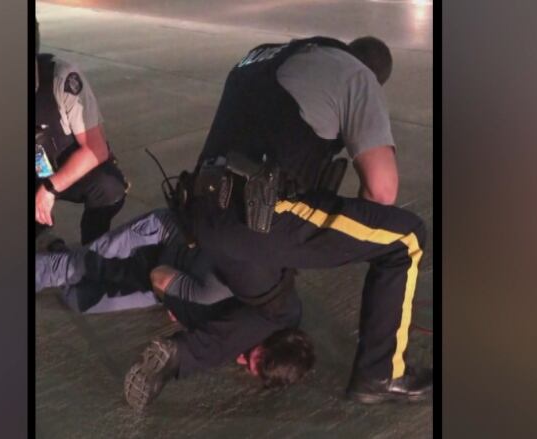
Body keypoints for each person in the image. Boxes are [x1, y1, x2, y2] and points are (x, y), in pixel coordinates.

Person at [172, 35, 431, 404]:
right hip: (257, 217)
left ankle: (195, 341)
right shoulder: (358, 77)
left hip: (198, 213)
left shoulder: (263, 55)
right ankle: (382, 374)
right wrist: (348, 242)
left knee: (278, 303)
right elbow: (381, 192)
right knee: (406, 237)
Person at [35, 209, 315, 409]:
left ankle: (53, 246)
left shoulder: (285, 315)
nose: (240, 361)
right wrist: (186, 310)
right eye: (249, 357)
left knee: (79, 299)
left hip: (177, 278)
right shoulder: (209, 296)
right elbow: (159, 276)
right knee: (73, 269)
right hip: (159, 239)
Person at [35, 19, 128, 245]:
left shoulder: (62, 79)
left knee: (109, 186)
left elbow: (96, 149)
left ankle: (91, 253)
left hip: (64, 168)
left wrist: (49, 188)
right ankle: (44, 238)